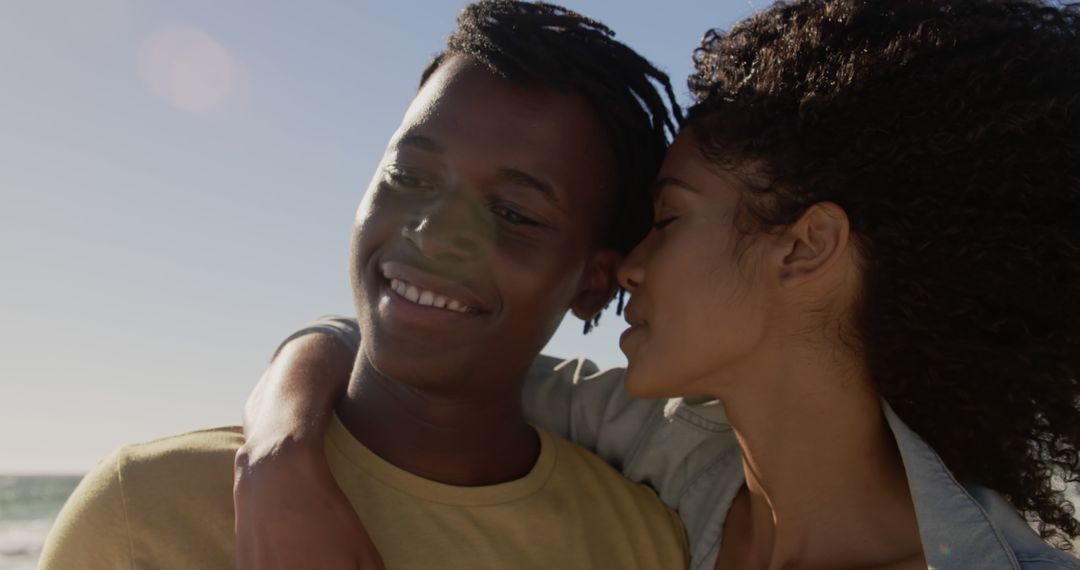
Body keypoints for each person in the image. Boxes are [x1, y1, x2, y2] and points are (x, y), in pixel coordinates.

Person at [237, 0, 1080, 568]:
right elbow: (401, 351)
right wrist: (279, 454)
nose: (629, 263)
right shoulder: (673, 454)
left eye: (669, 220)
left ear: (806, 247)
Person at [38, 2, 693, 569]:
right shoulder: (143, 512)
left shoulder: (646, 543)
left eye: (514, 214)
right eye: (409, 178)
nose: (434, 233)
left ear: (594, 283)